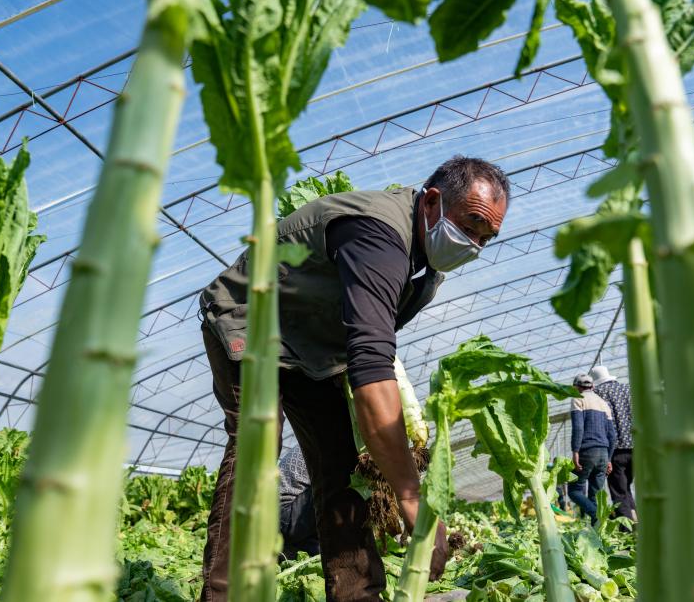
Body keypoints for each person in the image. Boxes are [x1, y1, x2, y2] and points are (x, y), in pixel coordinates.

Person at [198, 156, 510, 602]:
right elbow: (371, 364)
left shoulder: (426, 261)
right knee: (257, 443)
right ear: (434, 201)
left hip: (312, 346)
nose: (474, 244)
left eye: (487, 237)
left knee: (339, 467)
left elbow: (364, 343)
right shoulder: (379, 236)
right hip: (251, 320)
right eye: (471, 225)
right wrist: (411, 496)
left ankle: (357, 595)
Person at [569, 372, 617, 525]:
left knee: (574, 491)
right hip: (603, 453)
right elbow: (612, 435)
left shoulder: (578, 399)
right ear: (593, 386)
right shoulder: (603, 404)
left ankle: (597, 516)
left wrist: (575, 451)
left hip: (586, 451)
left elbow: (578, 427)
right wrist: (609, 458)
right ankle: (598, 532)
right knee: (595, 496)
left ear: (576, 387)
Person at [591, 365, 636, 521]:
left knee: (618, 491)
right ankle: (637, 523)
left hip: (614, 451)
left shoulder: (597, 394)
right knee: (626, 488)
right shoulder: (627, 389)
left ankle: (627, 531)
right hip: (635, 446)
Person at [278, 445, 320, 559]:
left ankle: (292, 549)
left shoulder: (308, 438)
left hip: (279, 519)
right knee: (339, 479)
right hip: (286, 514)